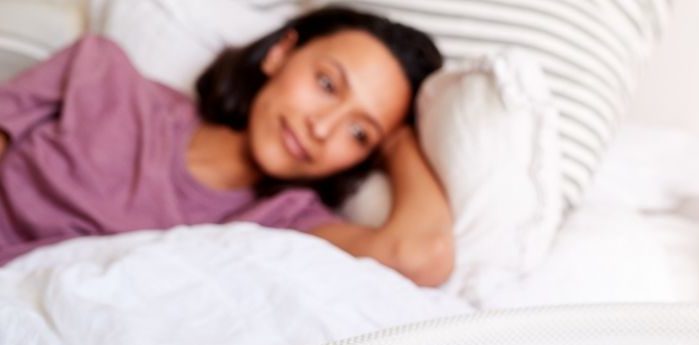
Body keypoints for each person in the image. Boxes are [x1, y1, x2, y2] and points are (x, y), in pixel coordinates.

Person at [0, 5, 453, 286]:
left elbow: (419, 256)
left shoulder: (283, 223)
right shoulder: (103, 73)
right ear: (280, 53)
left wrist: (400, 142)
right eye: (327, 83)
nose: (322, 127)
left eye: (359, 133)